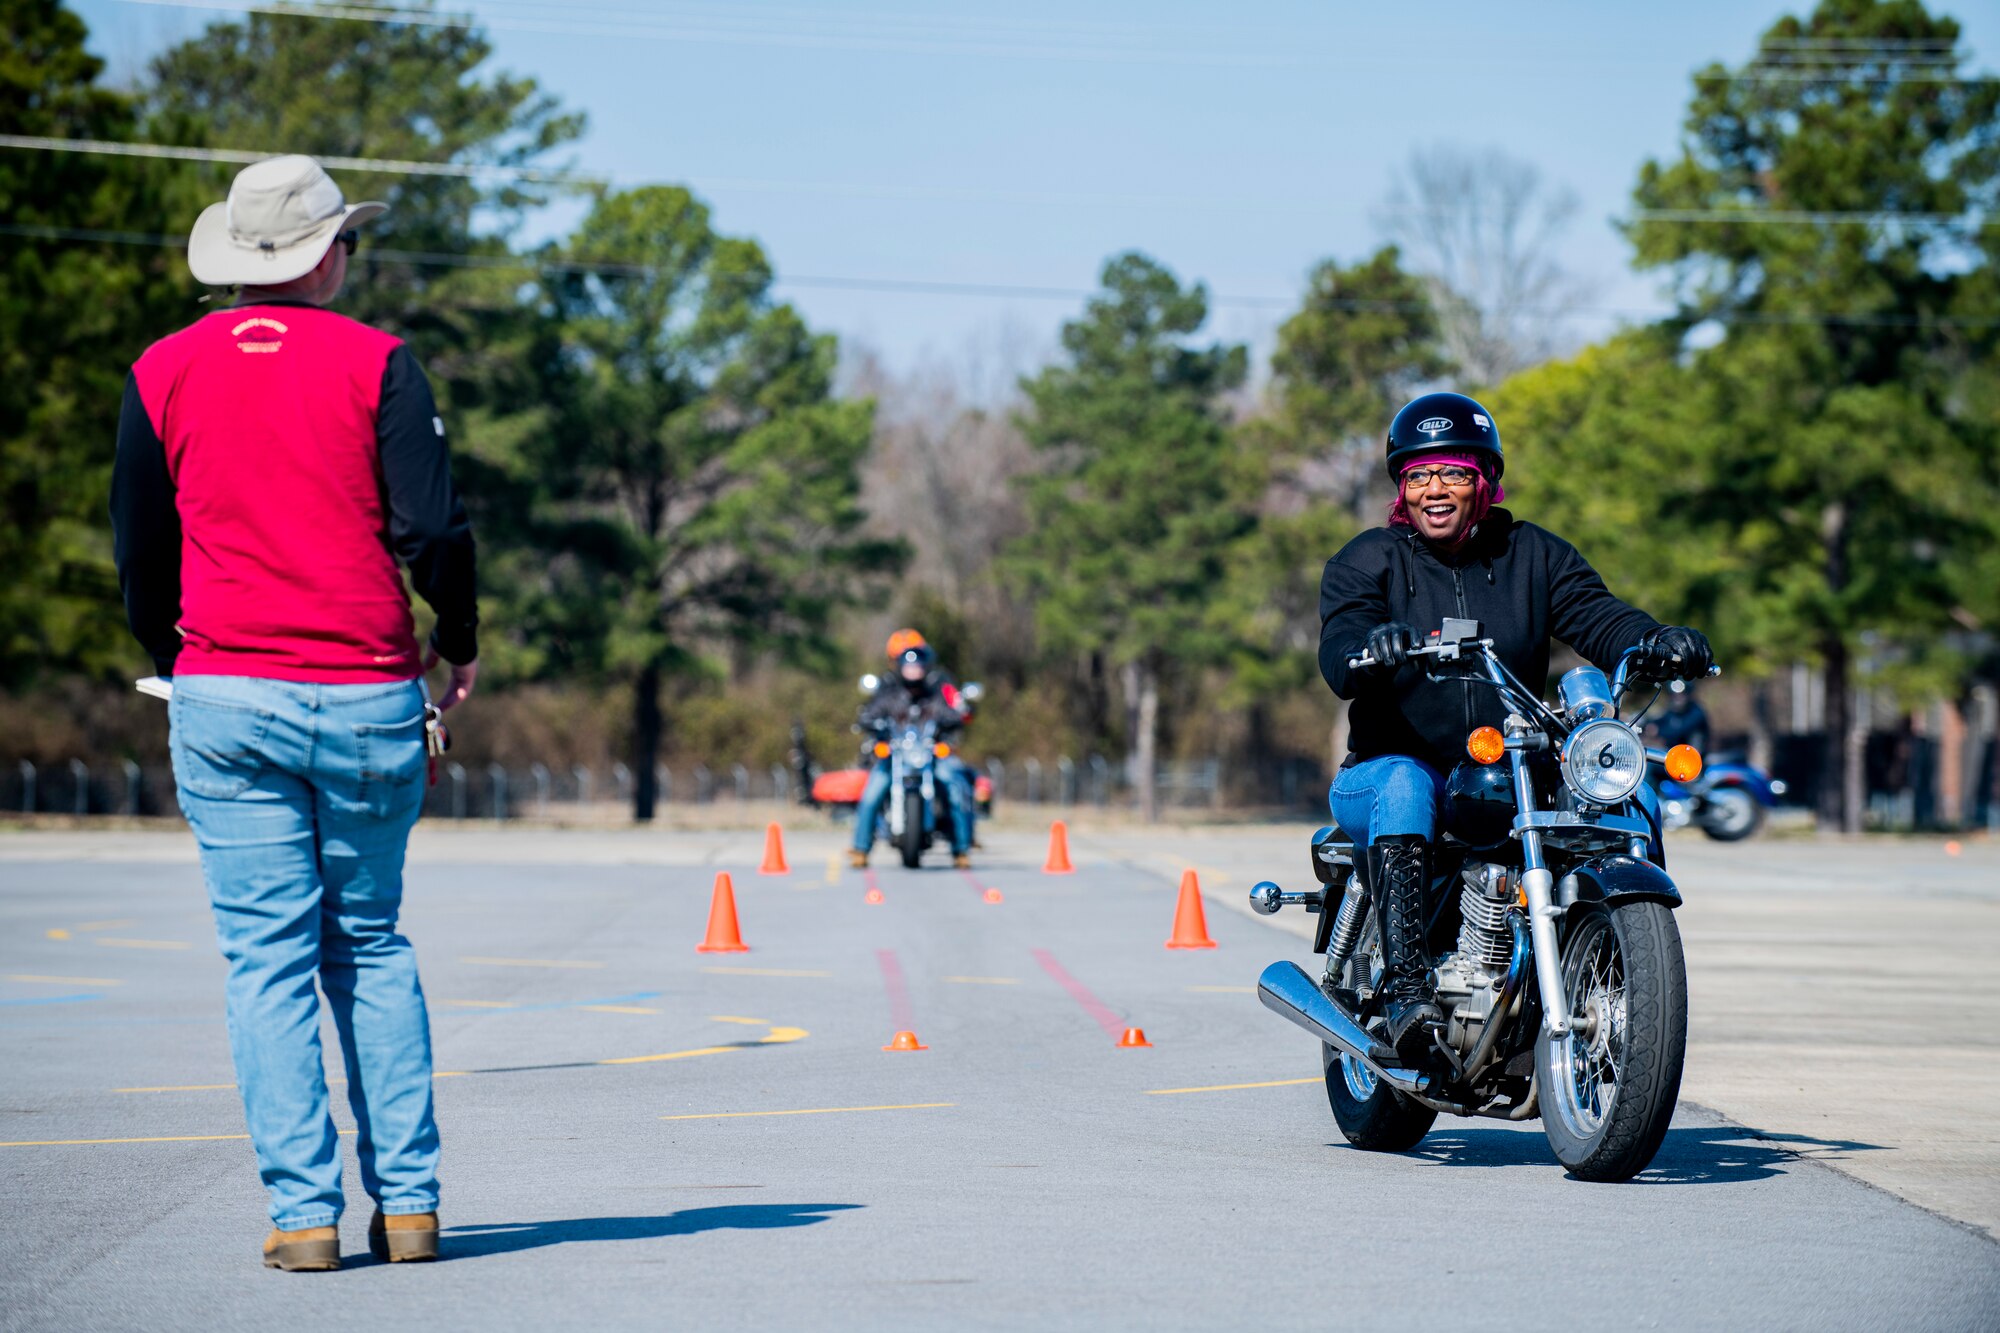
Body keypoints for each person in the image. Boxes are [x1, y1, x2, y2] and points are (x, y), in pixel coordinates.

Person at [110, 155, 477, 1272]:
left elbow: (139, 548)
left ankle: (305, 1217)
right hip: (363, 686)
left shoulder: (162, 369)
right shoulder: (380, 363)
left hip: (226, 689)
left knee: (266, 960)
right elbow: (432, 530)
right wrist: (453, 645)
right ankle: (408, 1209)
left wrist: (178, 656)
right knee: (367, 942)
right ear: (327, 256)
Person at [1318, 391, 1710, 1061]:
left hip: (1512, 764)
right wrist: (1369, 648)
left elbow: (1599, 617)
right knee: (1408, 785)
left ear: (1484, 480)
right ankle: (1406, 987)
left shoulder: (1535, 554)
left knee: (1624, 787)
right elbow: (1341, 640)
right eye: (1418, 475)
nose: (1434, 489)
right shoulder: (1370, 559)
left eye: (1452, 472)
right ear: (1401, 487)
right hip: (1387, 768)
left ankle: (1607, 962)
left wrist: (1653, 639)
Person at [849, 630, 976, 868]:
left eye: (917, 662)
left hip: (928, 755)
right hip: (897, 756)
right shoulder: (889, 688)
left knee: (953, 785)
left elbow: (955, 710)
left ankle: (961, 848)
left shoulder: (937, 686)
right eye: (906, 661)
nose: (913, 668)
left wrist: (954, 720)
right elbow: (870, 713)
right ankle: (860, 848)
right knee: (871, 793)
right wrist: (876, 728)